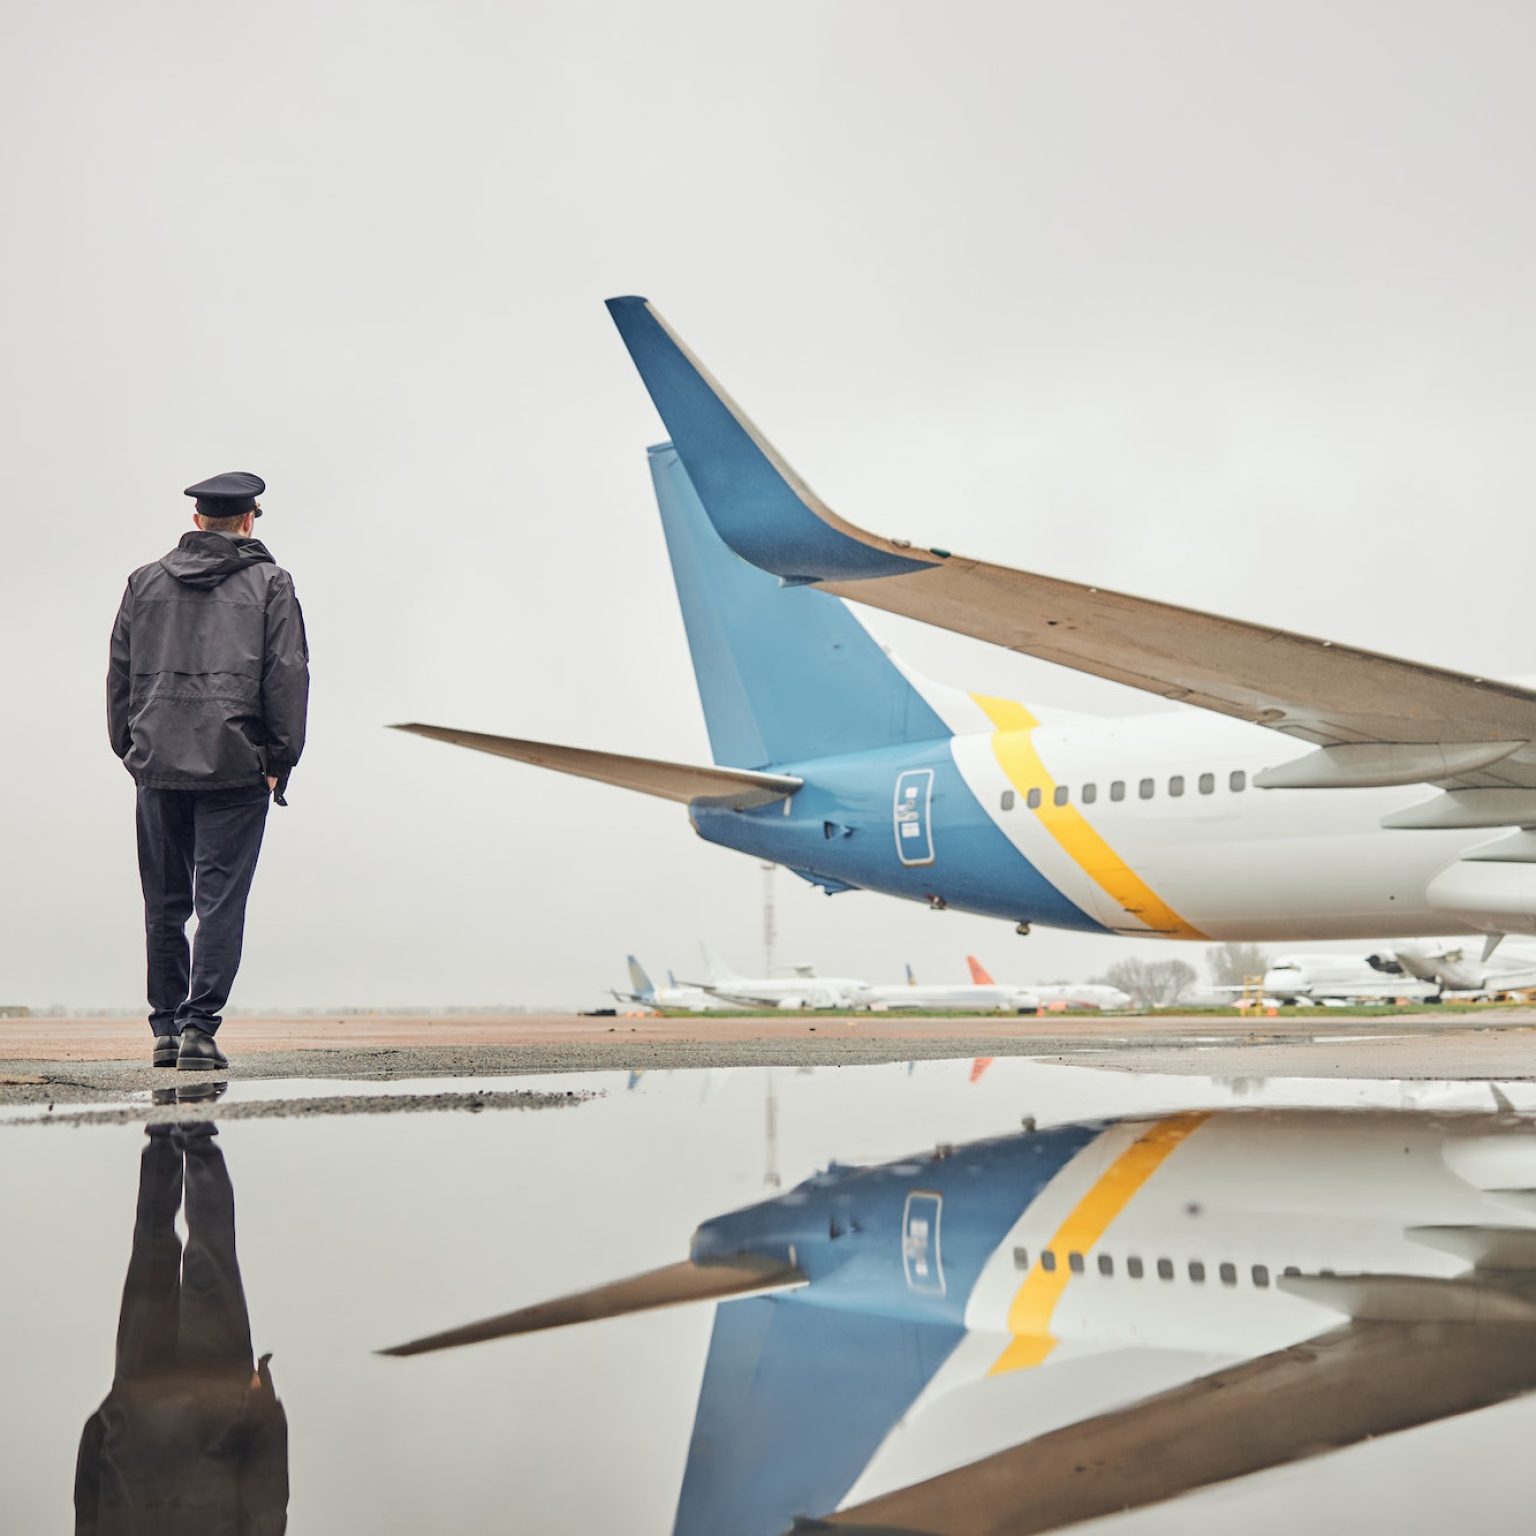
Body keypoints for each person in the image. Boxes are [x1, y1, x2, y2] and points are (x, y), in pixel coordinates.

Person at [108, 472, 309, 1071]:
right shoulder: (272, 584)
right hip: (235, 767)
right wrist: (280, 761)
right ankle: (199, 1029)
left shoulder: (143, 584)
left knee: (164, 903)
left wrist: (131, 749)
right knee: (221, 902)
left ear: (198, 522)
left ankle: (166, 1030)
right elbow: (288, 676)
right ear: (249, 521)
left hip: (158, 764)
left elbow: (119, 674)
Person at [75, 1105, 289, 1535]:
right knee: (152, 1242)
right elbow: (87, 1493)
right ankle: (163, 1135)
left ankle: (196, 1131)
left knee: (211, 1247)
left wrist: (264, 1408)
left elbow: (267, 1504)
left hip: (217, 1398)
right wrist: (115, 1411)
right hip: (139, 1408)